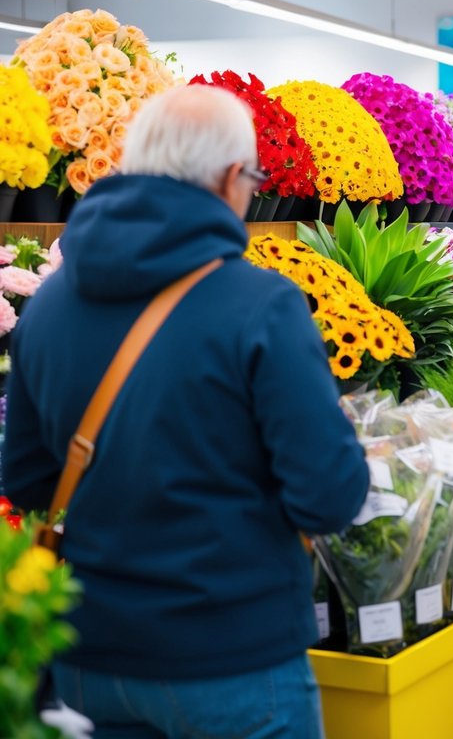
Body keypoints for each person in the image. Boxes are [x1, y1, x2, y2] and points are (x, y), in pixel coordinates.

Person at [2, 85, 370, 738]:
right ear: (232, 178)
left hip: (92, 659)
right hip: (233, 653)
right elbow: (329, 497)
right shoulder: (261, 305)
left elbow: (28, 479)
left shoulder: (49, 307)